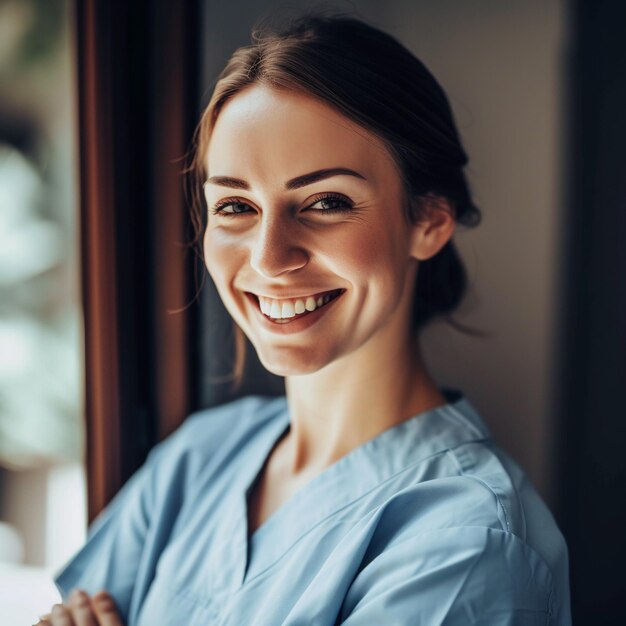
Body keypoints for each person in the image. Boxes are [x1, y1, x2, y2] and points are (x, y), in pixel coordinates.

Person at [39, 10, 571, 626]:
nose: (269, 259)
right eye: (235, 205)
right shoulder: (199, 457)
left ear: (428, 221)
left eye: (325, 202)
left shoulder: (470, 543)